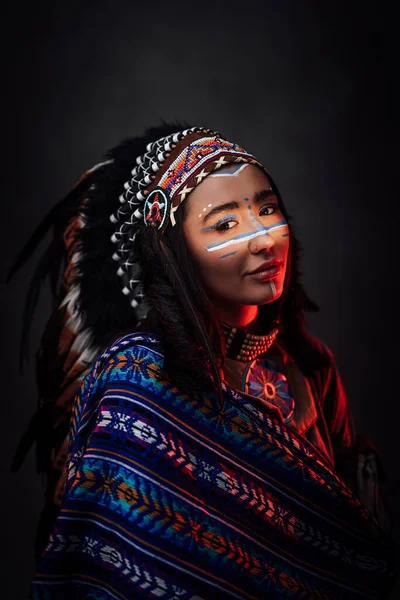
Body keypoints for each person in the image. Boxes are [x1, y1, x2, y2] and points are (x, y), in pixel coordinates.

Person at [10, 123, 394, 598]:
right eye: (225, 224)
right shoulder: (137, 383)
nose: (263, 239)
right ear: (174, 251)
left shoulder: (309, 369)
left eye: (268, 209)